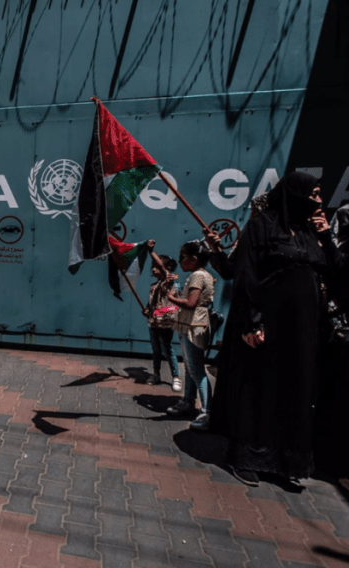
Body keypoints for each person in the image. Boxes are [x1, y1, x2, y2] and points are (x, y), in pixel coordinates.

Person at [209, 172, 334, 486]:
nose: (318, 201)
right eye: (314, 194)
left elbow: (333, 270)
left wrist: (328, 238)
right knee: (259, 389)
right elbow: (245, 275)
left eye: (320, 194)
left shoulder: (309, 232)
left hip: (302, 332)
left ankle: (286, 461)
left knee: (294, 391)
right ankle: (248, 457)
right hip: (269, 327)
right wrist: (254, 322)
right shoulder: (260, 227)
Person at [165, 240, 216, 431]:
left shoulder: (197, 276)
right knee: (190, 367)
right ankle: (188, 401)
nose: (180, 261)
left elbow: (191, 303)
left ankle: (206, 411)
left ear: (193, 260)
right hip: (192, 324)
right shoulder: (204, 275)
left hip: (193, 325)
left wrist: (171, 297)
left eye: (182, 258)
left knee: (196, 370)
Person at [143, 255, 179, 387]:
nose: (153, 269)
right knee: (156, 349)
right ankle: (156, 374)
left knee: (167, 348)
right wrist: (147, 309)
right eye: (152, 266)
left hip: (165, 321)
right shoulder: (154, 286)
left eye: (157, 267)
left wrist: (151, 251)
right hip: (153, 322)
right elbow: (152, 302)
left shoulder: (169, 282)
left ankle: (175, 377)